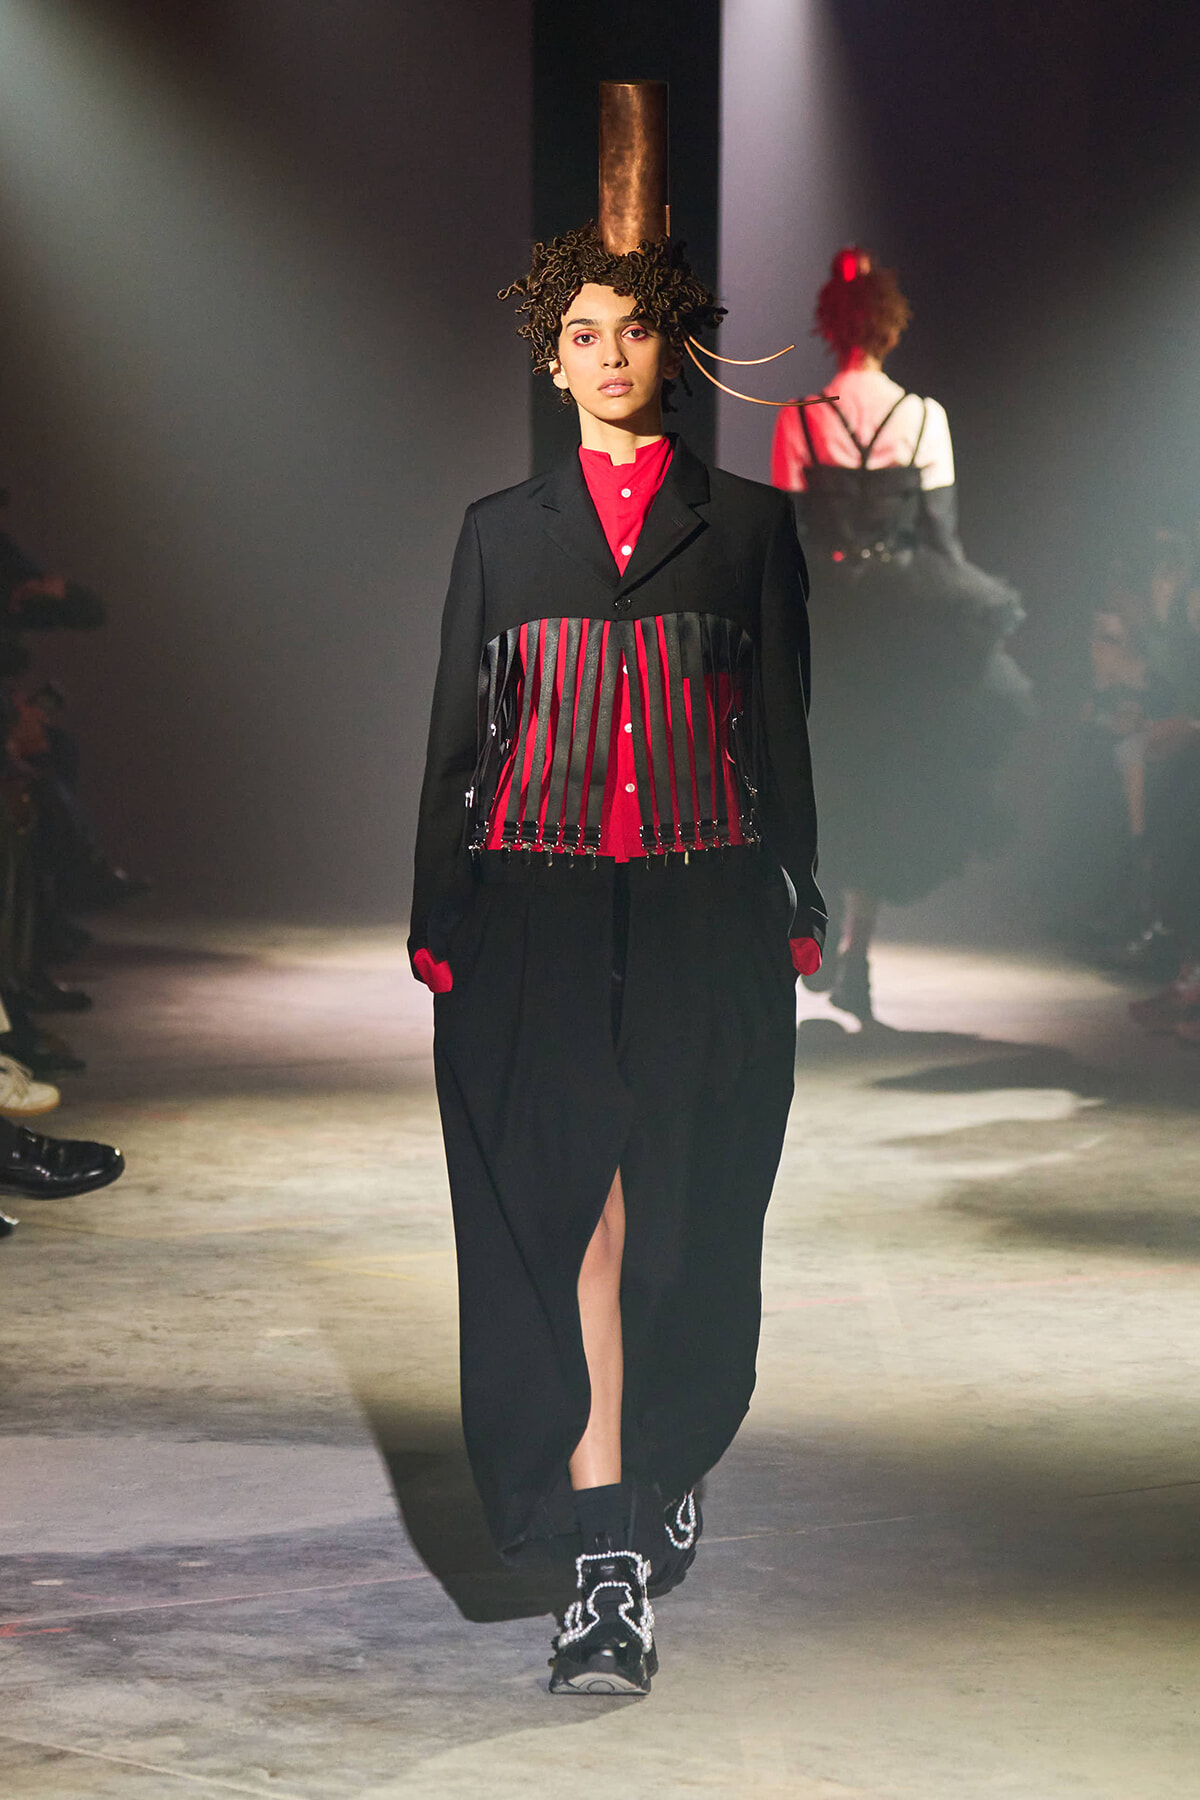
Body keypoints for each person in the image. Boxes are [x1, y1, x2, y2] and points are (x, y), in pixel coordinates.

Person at [409, 88, 824, 1696]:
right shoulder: (499, 537)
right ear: (550, 353)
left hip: (708, 914)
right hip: (537, 912)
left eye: (633, 328)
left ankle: (665, 1456)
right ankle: (603, 1556)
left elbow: (777, 729)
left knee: (682, 1231)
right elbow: (461, 739)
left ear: (673, 347)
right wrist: (439, 917)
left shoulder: (749, 533)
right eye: (580, 331)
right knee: (564, 1220)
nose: (607, 354)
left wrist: (800, 896)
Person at [772, 248, 1030, 1022]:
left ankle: (817, 926)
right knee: (884, 777)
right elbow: (941, 538)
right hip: (898, 618)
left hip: (828, 617)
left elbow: (789, 540)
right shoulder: (924, 418)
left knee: (824, 773)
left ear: (829, 326)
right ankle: (855, 952)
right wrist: (966, 622)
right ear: (890, 326)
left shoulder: (800, 418)